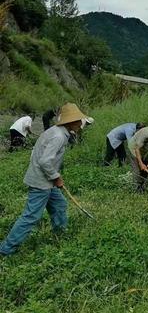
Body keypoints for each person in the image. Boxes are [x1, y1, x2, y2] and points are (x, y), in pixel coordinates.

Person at [0, 103, 90, 256]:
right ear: (70, 122)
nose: (80, 125)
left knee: (60, 204)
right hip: (41, 182)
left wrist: (54, 178)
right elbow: (45, 161)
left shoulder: (56, 131)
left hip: (47, 181)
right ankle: (5, 249)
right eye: (78, 121)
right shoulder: (59, 136)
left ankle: (59, 235)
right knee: (31, 216)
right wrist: (56, 177)